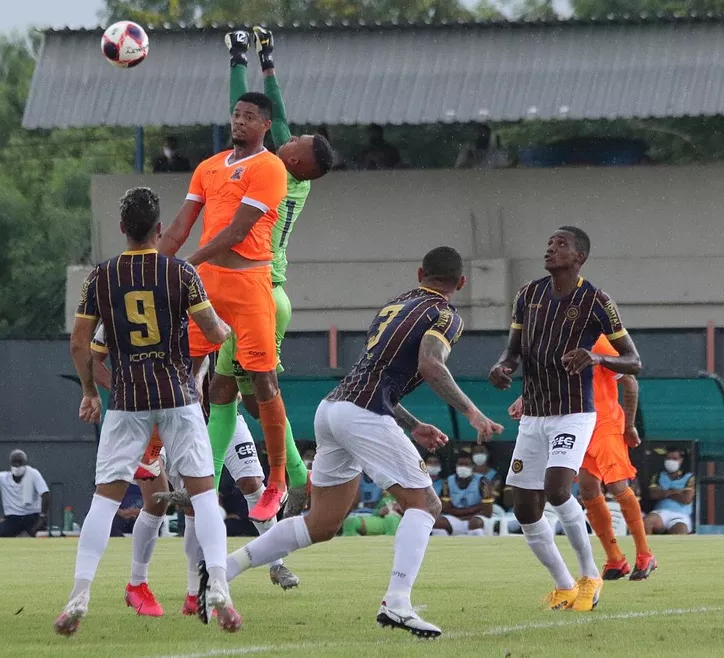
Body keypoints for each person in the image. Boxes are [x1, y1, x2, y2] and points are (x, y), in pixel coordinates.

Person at [216, 247, 503, 638]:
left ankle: (220, 572)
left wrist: (413, 423)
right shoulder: (446, 316)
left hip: (333, 409)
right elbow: (430, 365)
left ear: (420, 273)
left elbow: (377, 373)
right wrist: (472, 412)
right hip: (363, 414)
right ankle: (397, 604)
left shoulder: (395, 306)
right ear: (461, 283)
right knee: (427, 503)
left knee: (322, 524)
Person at [159, 29, 333, 522]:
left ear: (296, 156)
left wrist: (243, 59)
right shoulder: (258, 163)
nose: (289, 138)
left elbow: (265, 113)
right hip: (235, 285)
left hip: (261, 289)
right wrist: (264, 62)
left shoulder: (279, 171)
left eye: (293, 140)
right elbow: (254, 108)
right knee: (223, 391)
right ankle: (237, 484)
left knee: (244, 392)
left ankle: (289, 480)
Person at [55, 186, 239, 636]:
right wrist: (232, 325)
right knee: (202, 493)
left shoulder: (101, 277)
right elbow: (213, 332)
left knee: (106, 498)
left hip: (129, 399)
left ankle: (79, 593)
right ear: (159, 229)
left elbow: (80, 343)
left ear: (122, 229)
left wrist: (90, 391)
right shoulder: (180, 272)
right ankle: (218, 587)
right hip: (177, 395)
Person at [87, 327, 299, 620]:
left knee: (250, 484)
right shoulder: (127, 296)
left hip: (220, 414)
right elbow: (91, 355)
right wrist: (119, 391)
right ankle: (142, 583)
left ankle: (275, 563)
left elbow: (230, 350)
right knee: (163, 503)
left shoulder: (204, 301)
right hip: (160, 417)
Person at [489, 226, 642, 612]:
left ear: (580, 257)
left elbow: (634, 361)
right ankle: (563, 584)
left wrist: (597, 358)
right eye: (549, 243)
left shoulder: (596, 300)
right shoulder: (528, 295)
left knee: (558, 490)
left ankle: (591, 575)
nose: (551, 248)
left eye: (561, 244)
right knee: (524, 508)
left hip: (574, 413)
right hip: (534, 416)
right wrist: (502, 367)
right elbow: (513, 351)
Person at [509, 334, 655, 580]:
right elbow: (550, 381)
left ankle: (645, 554)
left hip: (605, 422)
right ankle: (615, 559)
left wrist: (629, 426)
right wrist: (525, 399)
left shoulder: (597, 342)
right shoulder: (553, 340)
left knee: (618, 484)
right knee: (588, 490)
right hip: (575, 423)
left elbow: (630, 382)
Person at [431, 453, 493, 536]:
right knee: (437, 523)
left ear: (472, 466)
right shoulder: (447, 482)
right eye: (460, 464)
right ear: (456, 466)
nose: (463, 467)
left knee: (475, 523)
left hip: (477, 518)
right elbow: (446, 509)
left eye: (467, 464)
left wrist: (462, 514)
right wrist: (477, 507)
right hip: (456, 519)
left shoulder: (483, 482)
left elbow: (487, 512)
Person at [645, 449, 696, 535]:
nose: (671, 461)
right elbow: (653, 494)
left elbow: (686, 499)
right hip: (660, 512)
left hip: (681, 515)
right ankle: (646, 548)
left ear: (681, 460)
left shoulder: (689, 477)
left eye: (674, 459)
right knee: (646, 522)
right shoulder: (658, 476)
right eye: (668, 458)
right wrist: (676, 491)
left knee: (681, 530)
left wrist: (664, 493)